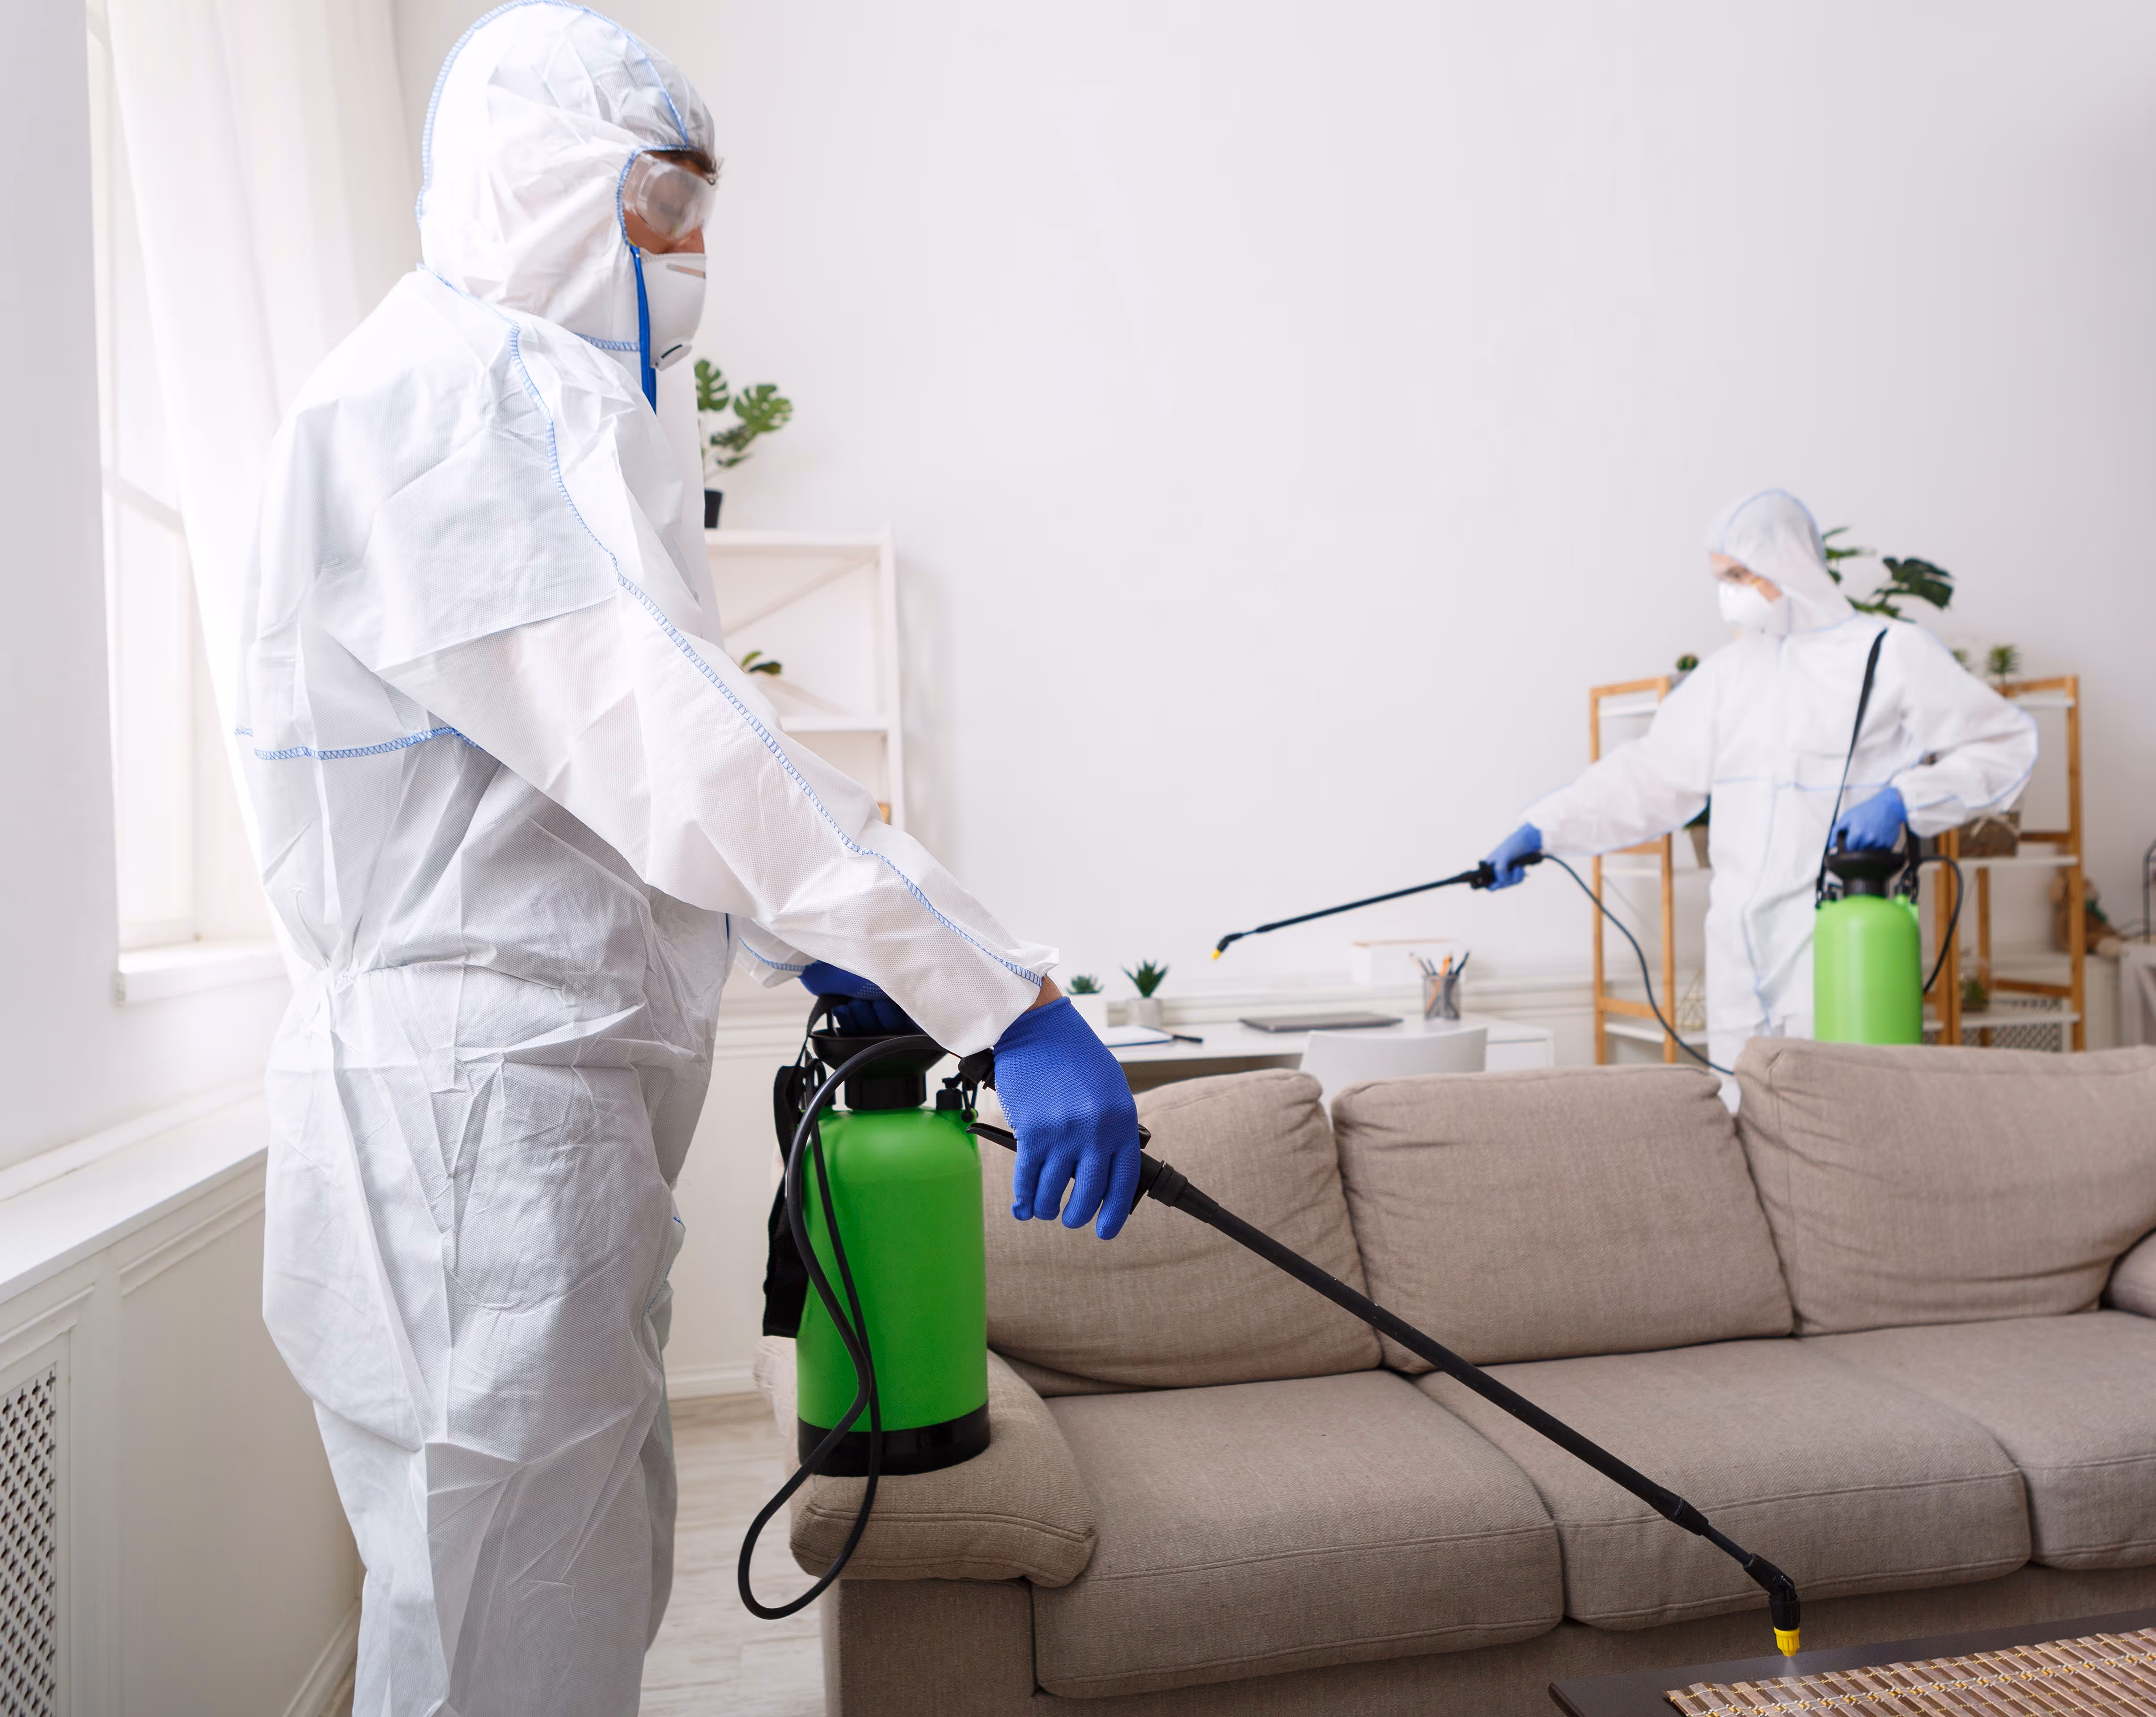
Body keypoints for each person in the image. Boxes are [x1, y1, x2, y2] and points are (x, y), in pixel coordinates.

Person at [234, 7, 1136, 1713]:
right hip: (475, 1134)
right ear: (539, 183)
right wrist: (999, 996)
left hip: (525, 1123)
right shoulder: (441, 410)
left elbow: (580, 796)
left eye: (702, 208)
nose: (691, 251)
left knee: (558, 1611)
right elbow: (673, 741)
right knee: (514, 1653)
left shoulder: (522, 407)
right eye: (659, 203)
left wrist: (819, 943)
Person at [1482, 489, 2036, 1076]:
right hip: (1738, 964)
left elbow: (2005, 743)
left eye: (1739, 575)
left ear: (1786, 563)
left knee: (1843, 1112)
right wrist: (1543, 830)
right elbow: (1650, 775)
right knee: (1737, 1113)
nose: (1729, 592)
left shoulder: (1888, 653)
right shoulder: (1727, 677)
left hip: (1839, 946)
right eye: (1721, 578)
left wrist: (1905, 800)